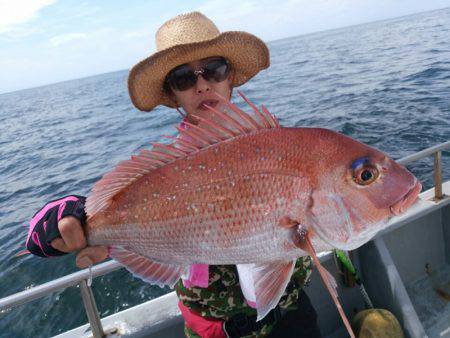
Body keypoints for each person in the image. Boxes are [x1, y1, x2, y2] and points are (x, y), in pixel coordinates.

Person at [26, 12, 322, 338]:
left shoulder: (278, 147)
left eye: (214, 69)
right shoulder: (162, 171)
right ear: (173, 93)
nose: (201, 84)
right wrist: (79, 216)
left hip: (292, 313)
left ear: (230, 76)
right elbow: (56, 232)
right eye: (183, 78)